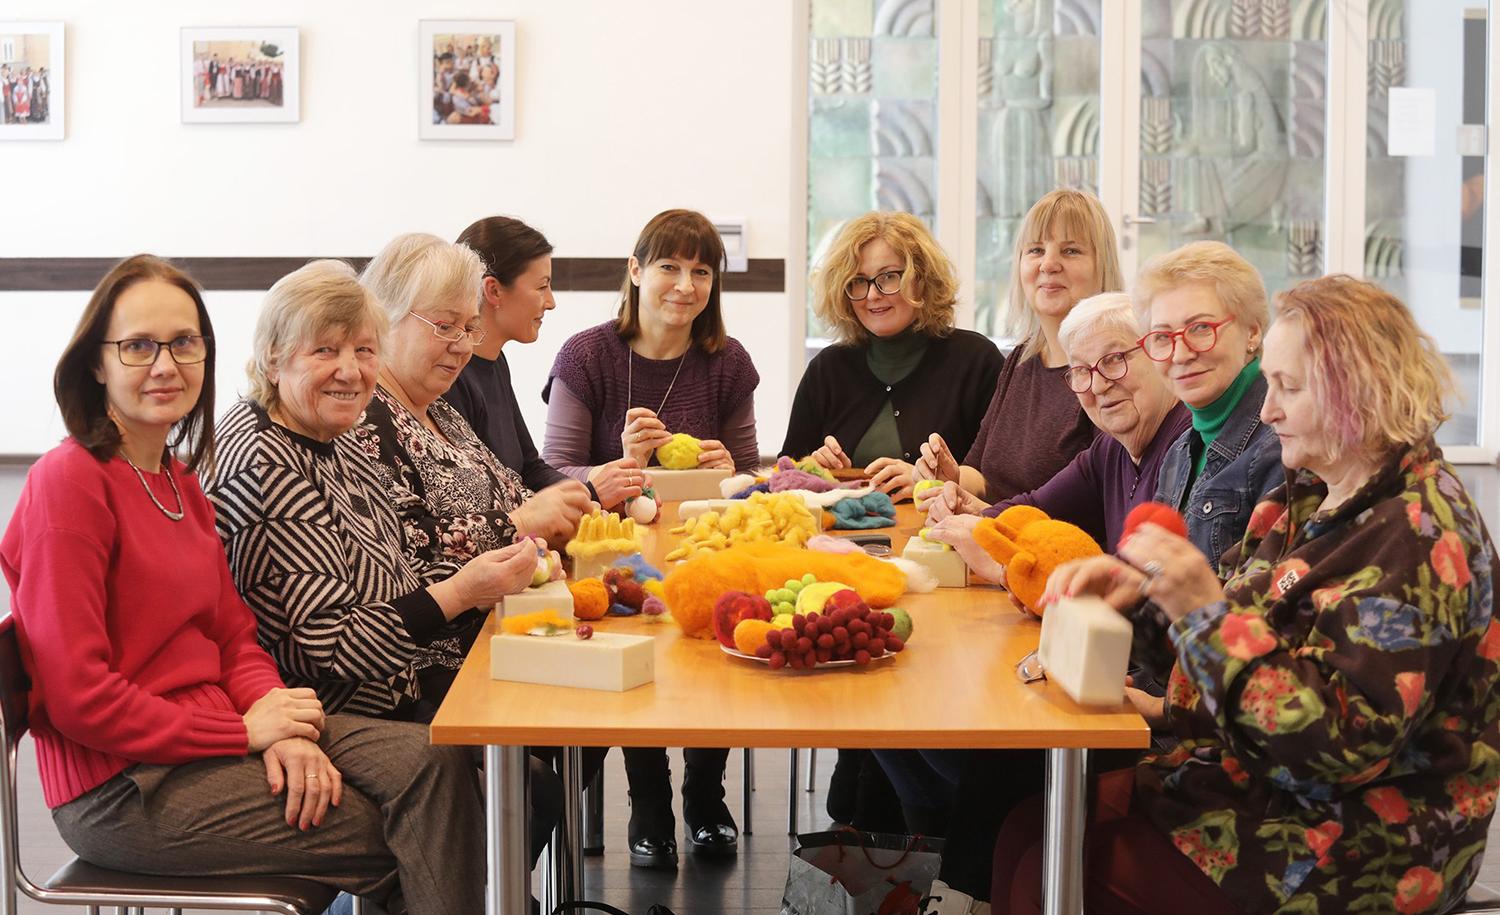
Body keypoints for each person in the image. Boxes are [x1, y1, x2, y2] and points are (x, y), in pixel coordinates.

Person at [995, 275, 1500, 915]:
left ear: (1360, 394)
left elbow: (1332, 751)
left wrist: (1202, 613)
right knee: (1025, 832)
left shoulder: (1421, 536)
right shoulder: (1311, 495)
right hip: (1261, 785)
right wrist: (1137, 601)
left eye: (1289, 388)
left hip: (1362, 841)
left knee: (1063, 870)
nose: (1267, 411)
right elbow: (1240, 629)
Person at [2, 255, 486, 914]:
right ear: (96, 361)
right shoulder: (70, 482)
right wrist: (243, 734)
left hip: (211, 731)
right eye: (139, 345)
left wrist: (280, 723)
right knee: (394, 826)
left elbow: (233, 635)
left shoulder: (178, 479)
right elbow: (79, 697)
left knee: (433, 764)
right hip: (121, 786)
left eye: (184, 343)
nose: (165, 364)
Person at [208, 258, 565, 874]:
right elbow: (327, 648)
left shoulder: (331, 430)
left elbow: (398, 565)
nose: (351, 370)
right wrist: (460, 593)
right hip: (336, 701)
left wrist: (473, 582)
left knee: (541, 752)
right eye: (325, 350)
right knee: (528, 778)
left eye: (364, 350)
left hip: (387, 674)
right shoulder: (267, 460)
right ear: (272, 358)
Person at [882, 292, 1190, 914]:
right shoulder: (1111, 448)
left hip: (1148, 698)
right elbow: (1022, 510)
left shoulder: (1183, 447)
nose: (1096, 385)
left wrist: (995, 561)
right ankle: (939, 870)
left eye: (1113, 361)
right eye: (1080, 370)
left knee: (1006, 736)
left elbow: (1137, 603)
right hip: (1114, 667)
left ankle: (958, 890)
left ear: (1156, 355)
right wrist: (960, 512)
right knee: (900, 709)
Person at [543, 208, 759, 867]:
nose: (685, 285)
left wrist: (731, 472)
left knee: (715, 629)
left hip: (704, 547)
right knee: (637, 638)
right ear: (636, 272)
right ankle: (648, 794)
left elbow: (754, 474)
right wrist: (616, 464)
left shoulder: (727, 361)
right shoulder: (586, 354)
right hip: (611, 555)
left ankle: (703, 790)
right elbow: (552, 471)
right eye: (669, 266)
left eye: (701, 271)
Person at [913, 188, 1122, 503]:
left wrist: (985, 517)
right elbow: (980, 473)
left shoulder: (1111, 374)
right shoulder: (1020, 362)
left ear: (1101, 265)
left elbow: (1096, 513)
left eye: (1071, 251)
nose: (1048, 264)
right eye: (1036, 250)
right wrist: (951, 477)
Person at [780, 211, 1002, 500]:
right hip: (841, 538)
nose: (872, 295)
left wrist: (927, 482)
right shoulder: (827, 369)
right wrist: (813, 468)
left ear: (921, 279)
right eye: (858, 281)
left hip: (940, 538)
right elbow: (784, 475)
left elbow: (1000, 480)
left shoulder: (977, 362)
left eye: (888, 277)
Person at [445, 216, 605, 514]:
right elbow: (487, 495)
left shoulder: (496, 361)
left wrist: (588, 495)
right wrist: (591, 493)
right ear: (493, 290)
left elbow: (530, 467)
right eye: (542, 287)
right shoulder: (452, 378)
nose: (551, 301)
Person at [1135, 240, 1282, 563]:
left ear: (1253, 332)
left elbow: (1256, 602)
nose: (1180, 353)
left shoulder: (1282, 445)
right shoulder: (1179, 452)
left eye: (1200, 328)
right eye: (1162, 337)